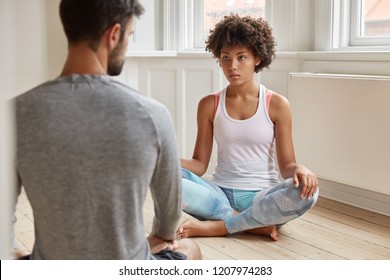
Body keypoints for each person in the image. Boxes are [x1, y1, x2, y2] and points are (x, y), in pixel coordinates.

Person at [13, 0, 201, 260]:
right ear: (113, 35)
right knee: (190, 248)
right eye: (130, 36)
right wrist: (158, 237)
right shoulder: (153, 114)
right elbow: (169, 220)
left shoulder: (14, 114)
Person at [177, 14, 319, 241]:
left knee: (308, 192)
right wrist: (162, 160)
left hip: (262, 198)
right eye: (225, 57)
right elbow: (199, 165)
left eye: (241, 57)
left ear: (258, 59)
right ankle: (251, 223)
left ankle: (221, 226)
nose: (232, 66)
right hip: (219, 196)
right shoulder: (208, 105)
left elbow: (287, 166)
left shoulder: (277, 105)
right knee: (166, 176)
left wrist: (301, 169)